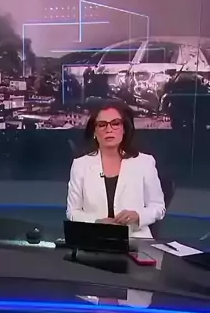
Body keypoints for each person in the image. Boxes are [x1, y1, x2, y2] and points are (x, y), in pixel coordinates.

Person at [66, 101, 165, 238]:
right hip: (95, 240)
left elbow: (158, 207)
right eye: (102, 125)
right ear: (94, 131)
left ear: (124, 129)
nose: (109, 129)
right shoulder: (80, 165)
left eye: (115, 123)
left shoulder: (145, 163)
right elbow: (72, 212)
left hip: (136, 240)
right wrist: (96, 222)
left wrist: (138, 215)